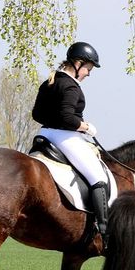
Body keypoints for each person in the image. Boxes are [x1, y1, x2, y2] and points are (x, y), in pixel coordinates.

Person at [31, 41, 108, 240]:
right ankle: (104, 230)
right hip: (64, 137)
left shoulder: (49, 81)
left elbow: (37, 114)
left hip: (44, 135)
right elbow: (67, 118)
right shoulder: (71, 86)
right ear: (78, 63)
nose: (88, 74)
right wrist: (86, 127)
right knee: (97, 178)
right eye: (88, 69)